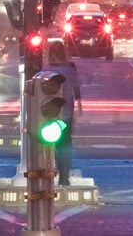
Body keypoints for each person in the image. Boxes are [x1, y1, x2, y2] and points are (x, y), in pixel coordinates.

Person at [45, 39, 84, 186]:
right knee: (66, 144)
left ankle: (56, 169)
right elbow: (76, 87)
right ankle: (64, 176)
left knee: (53, 144)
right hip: (67, 113)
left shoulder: (46, 70)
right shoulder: (71, 68)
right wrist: (79, 103)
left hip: (51, 114)